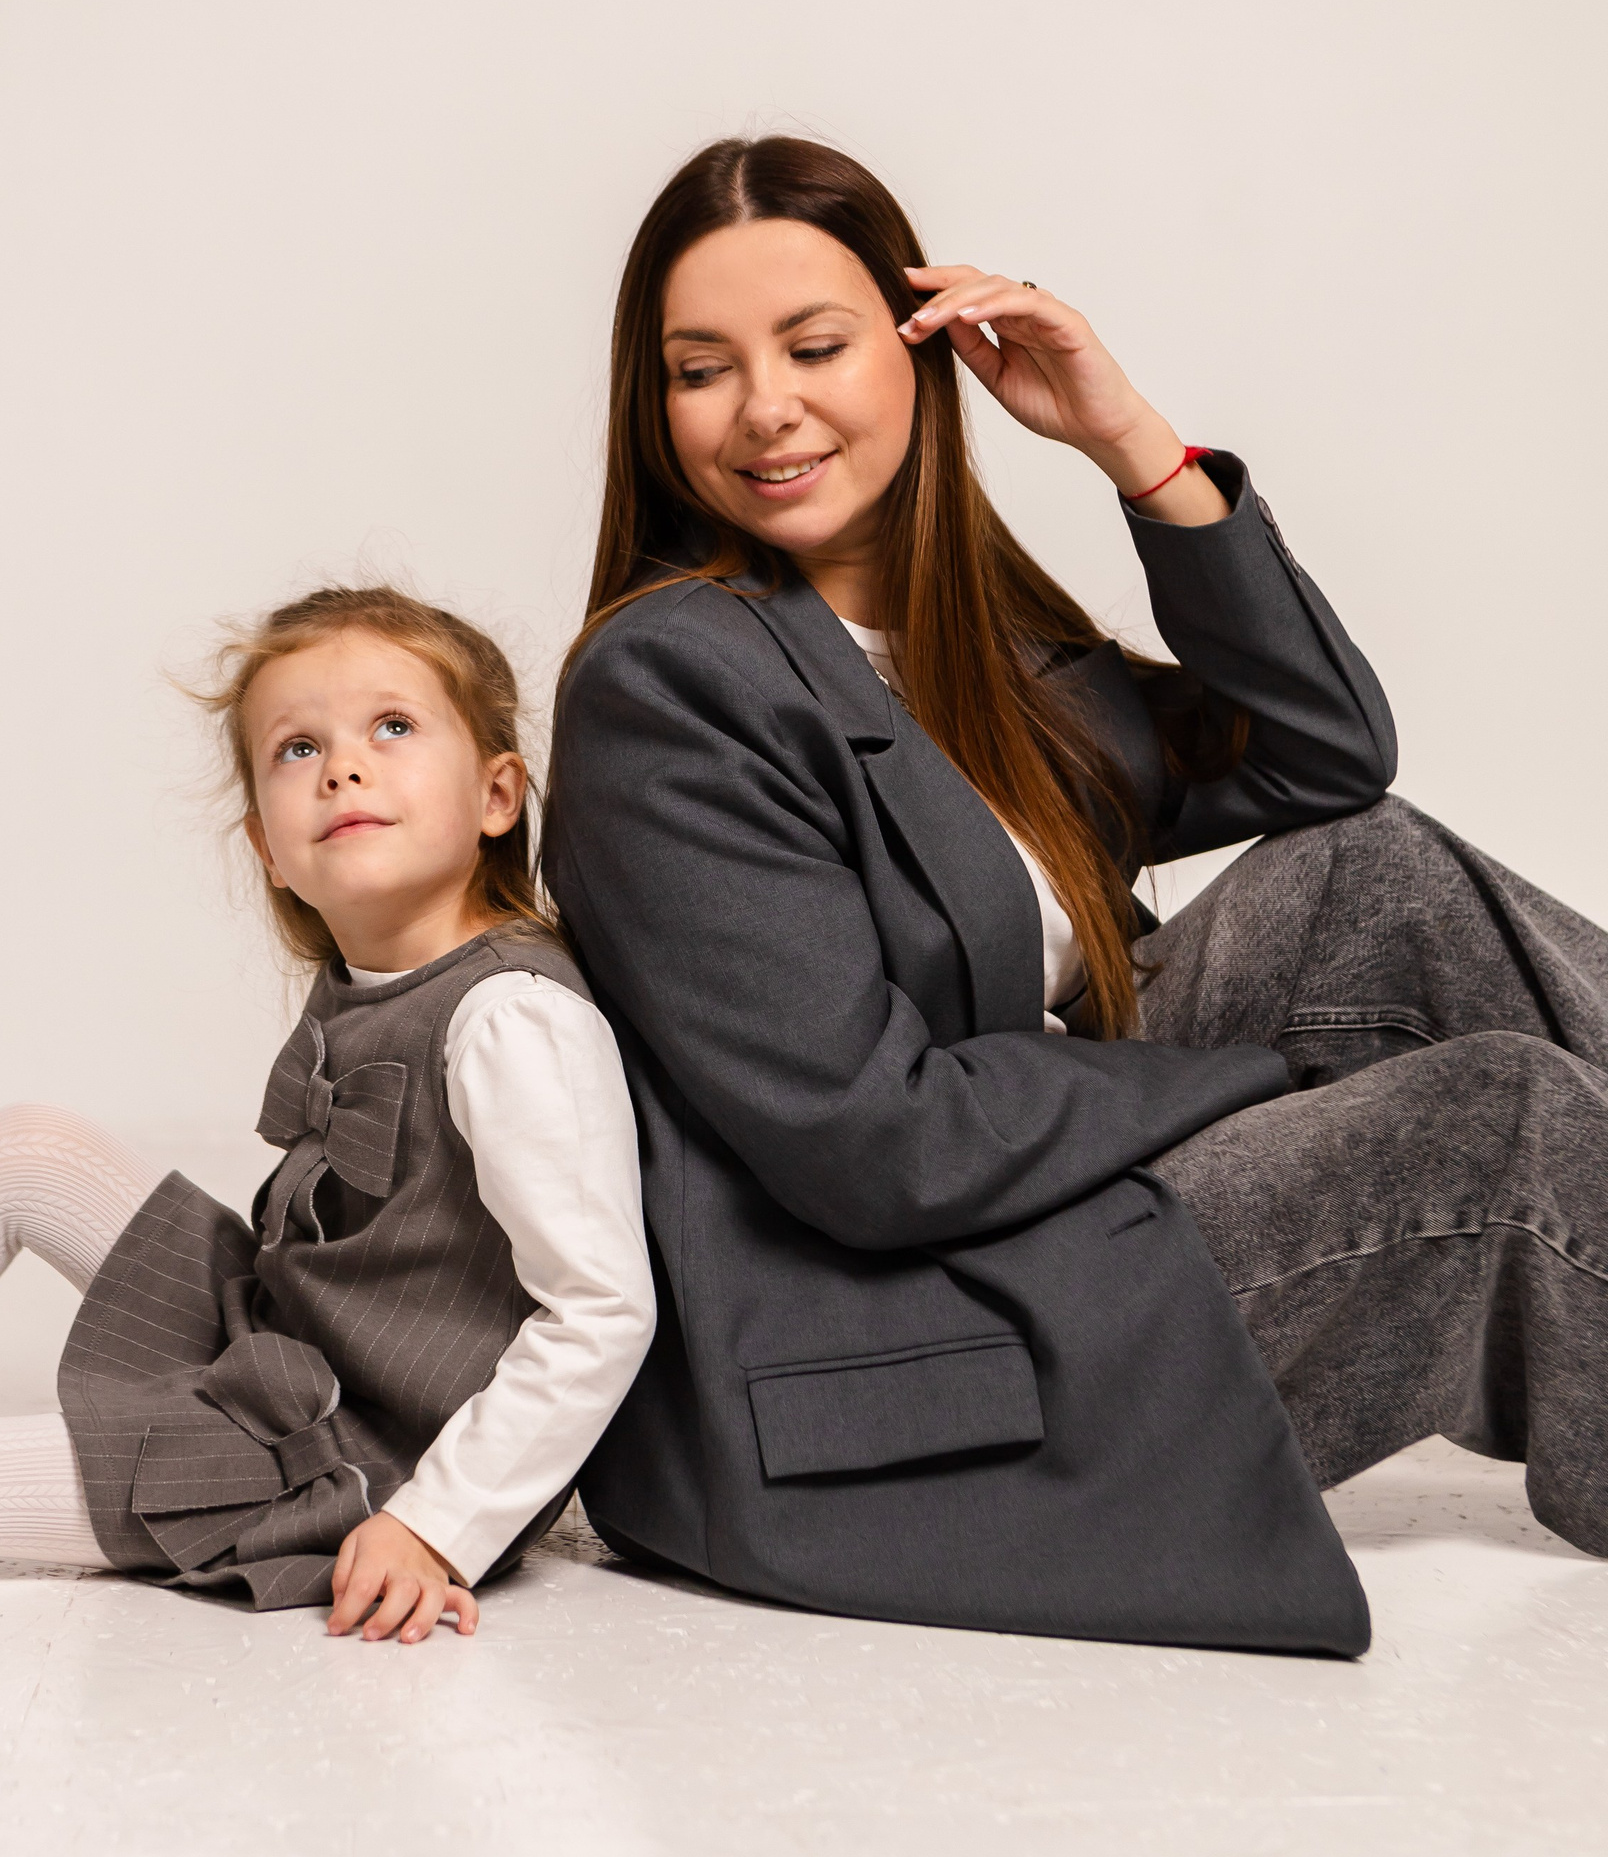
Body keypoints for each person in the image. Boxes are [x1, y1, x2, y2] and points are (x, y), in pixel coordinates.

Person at [545, 135, 1608, 1659]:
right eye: (701, 370)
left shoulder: (968, 636)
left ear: (920, 357)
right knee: (1500, 1122)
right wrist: (1263, 1073)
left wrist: (1131, 445)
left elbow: (1325, 756)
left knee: (1377, 868)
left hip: (1047, 1171)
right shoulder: (668, 684)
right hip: (925, 1309)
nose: (764, 406)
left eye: (815, 347)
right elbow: (879, 1147)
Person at [0, 587, 655, 1642]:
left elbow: (600, 1312)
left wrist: (436, 1526)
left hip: (365, 1459)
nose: (342, 767)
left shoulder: (514, 1021)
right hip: (290, 1346)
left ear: (497, 795)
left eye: (392, 727)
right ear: (267, 845)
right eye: (297, 747)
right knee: (30, 1150)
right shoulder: (379, 976)